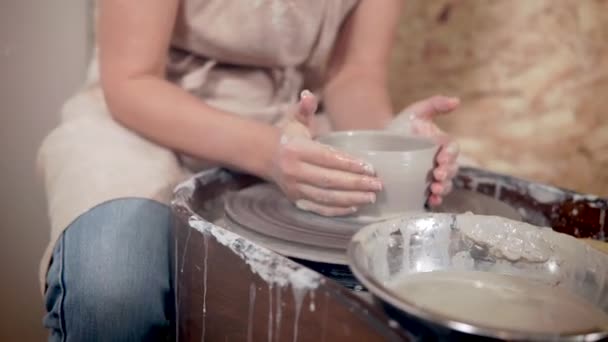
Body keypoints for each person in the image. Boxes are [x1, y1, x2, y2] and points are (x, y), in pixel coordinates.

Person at [38, 0, 460, 340]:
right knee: (114, 292)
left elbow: (354, 74)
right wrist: (267, 152)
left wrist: (395, 144)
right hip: (145, 114)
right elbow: (131, 80)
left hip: (290, 117)